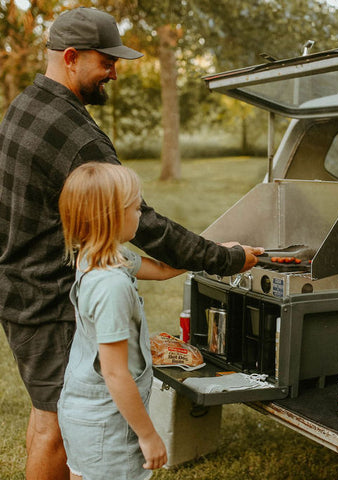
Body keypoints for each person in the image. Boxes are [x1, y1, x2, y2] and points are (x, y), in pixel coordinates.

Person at [0, 7, 264, 480]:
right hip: (45, 300)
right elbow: (146, 226)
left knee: (50, 417)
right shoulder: (77, 137)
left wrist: (168, 268)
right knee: (55, 427)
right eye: (107, 62)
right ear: (73, 58)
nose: (114, 74)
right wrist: (224, 259)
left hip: (19, 285)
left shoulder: (25, 105)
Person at [58, 162, 180, 479]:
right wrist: (148, 434)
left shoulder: (101, 255)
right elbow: (115, 373)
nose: (140, 214)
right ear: (111, 217)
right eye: (136, 207)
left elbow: (165, 270)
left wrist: (218, 254)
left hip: (83, 413)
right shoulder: (111, 286)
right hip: (107, 426)